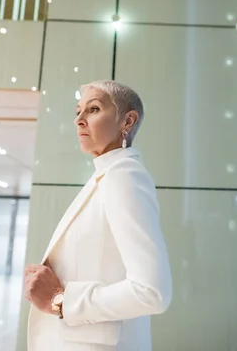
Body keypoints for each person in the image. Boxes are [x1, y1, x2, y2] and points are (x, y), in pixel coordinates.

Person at [24, 80, 172, 351]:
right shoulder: (104, 177)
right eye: (77, 111)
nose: (79, 120)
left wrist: (60, 300)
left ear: (127, 121)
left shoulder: (124, 175)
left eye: (93, 109)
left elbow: (152, 292)